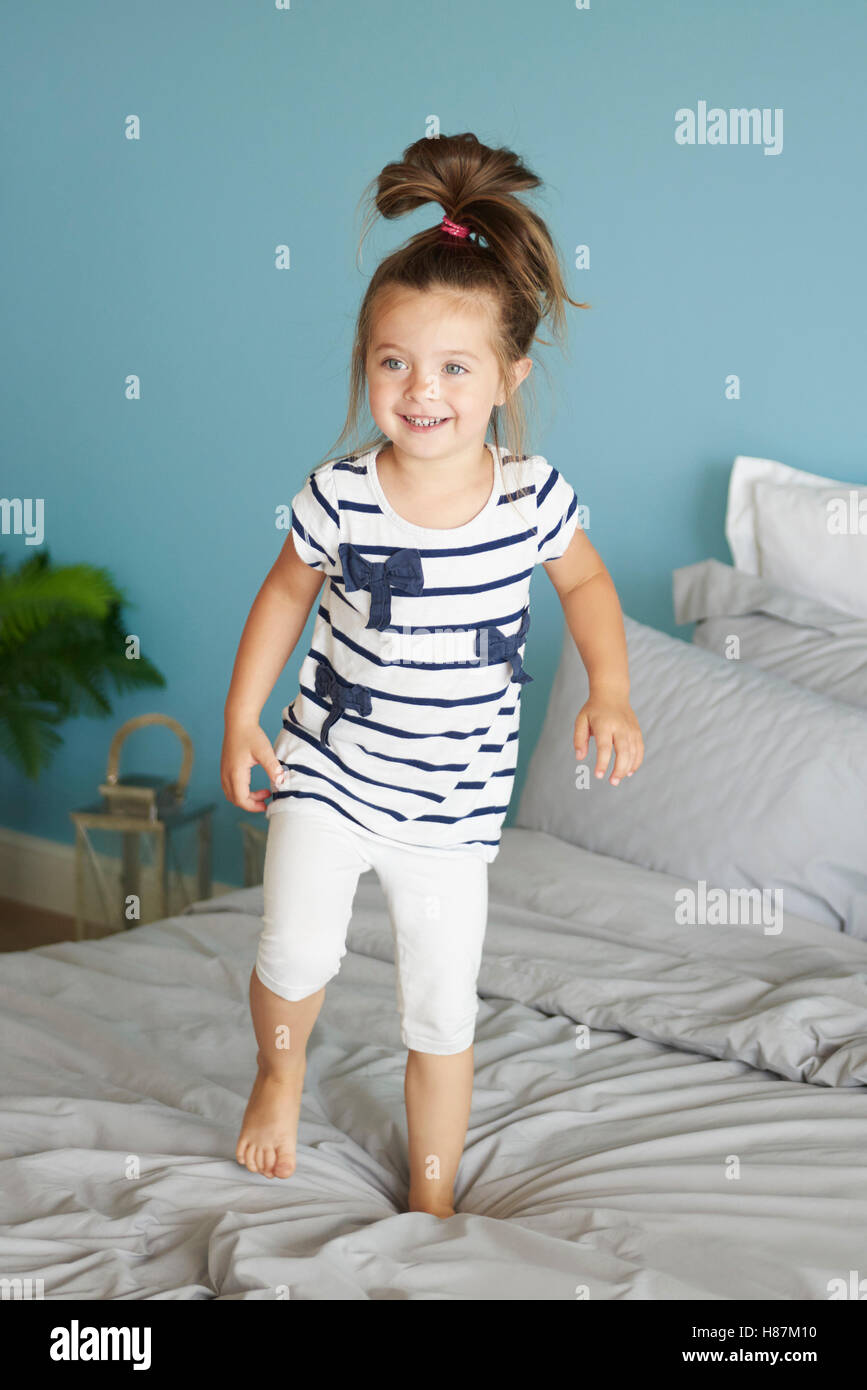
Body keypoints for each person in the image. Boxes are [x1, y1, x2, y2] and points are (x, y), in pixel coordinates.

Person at [221, 132, 644, 1219]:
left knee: (441, 1010)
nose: (421, 390)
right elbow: (283, 596)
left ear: (509, 378)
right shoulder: (342, 493)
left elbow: (589, 590)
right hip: (329, 766)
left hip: (453, 810)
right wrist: (242, 714)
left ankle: (435, 1196)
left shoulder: (531, 497)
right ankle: (279, 1075)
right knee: (295, 947)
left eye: (455, 367)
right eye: (394, 361)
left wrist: (610, 689)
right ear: (367, 365)